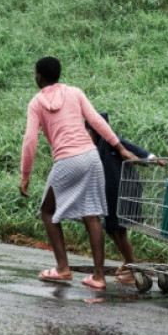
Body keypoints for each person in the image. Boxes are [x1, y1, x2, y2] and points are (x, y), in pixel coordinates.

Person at [18, 56, 138, 290]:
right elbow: (96, 122)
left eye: (35, 74)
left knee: (47, 210)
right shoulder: (75, 93)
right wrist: (120, 148)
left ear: (39, 77)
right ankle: (99, 276)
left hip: (67, 160)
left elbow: (30, 140)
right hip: (91, 157)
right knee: (91, 214)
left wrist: (25, 175)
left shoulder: (36, 103)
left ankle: (62, 268)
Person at [84, 112, 158, 284]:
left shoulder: (108, 140)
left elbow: (130, 146)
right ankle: (129, 262)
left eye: (86, 129)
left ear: (95, 130)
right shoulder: (94, 147)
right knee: (111, 228)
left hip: (122, 191)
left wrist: (151, 157)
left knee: (118, 229)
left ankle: (132, 267)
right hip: (112, 193)